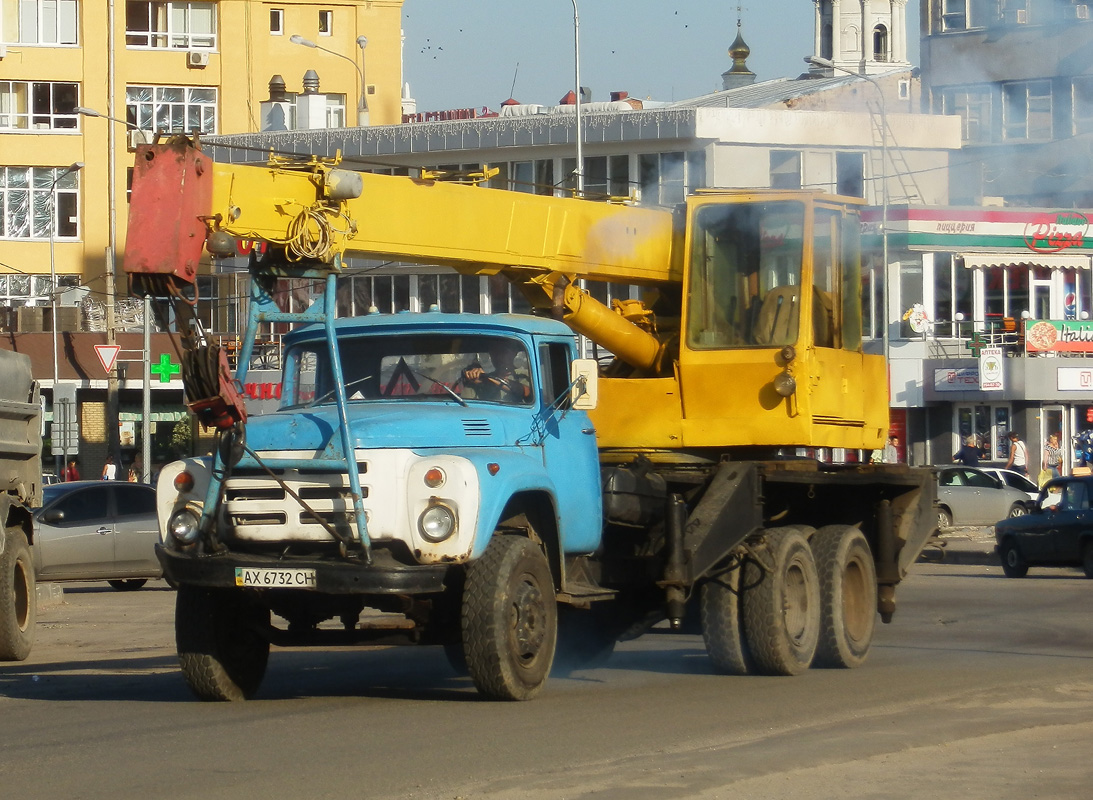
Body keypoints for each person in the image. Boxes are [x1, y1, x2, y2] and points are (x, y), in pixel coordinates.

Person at [461, 341, 532, 404]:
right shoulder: (481, 380)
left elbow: (523, 391)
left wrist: (487, 379)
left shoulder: (527, 376)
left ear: (514, 353)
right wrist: (472, 379)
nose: (499, 356)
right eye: (495, 351)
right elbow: (464, 407)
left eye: (504, 351)